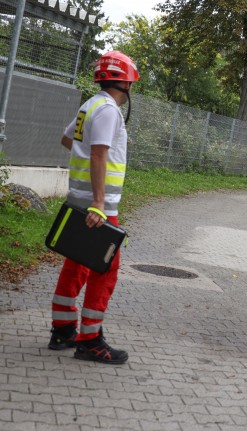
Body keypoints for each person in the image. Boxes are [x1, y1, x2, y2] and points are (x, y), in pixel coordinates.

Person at [47, 51, 140, 364]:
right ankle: (90, 340)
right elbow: (99, 155)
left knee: (77, 264)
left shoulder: (90, 105)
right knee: (105, 268)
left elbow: (65, 139)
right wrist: (99, 203)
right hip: (98, 207)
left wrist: (84, 160)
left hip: (80, 200)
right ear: (125, 82)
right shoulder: (110, 110)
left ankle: (63, 330)